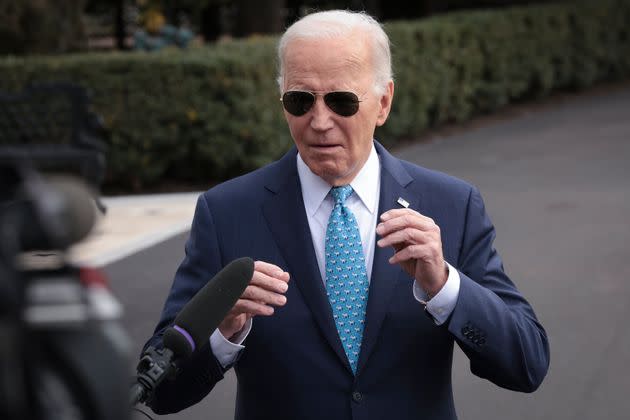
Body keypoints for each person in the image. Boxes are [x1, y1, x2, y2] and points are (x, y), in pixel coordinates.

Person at [143, 10, 549, 420]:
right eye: (300, 100)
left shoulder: (451, 204)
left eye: (341, 101)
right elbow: (160, 390)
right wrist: (221, 331)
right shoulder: (227, 212)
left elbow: (526, 364)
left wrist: (445, 286)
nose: (320, 122)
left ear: (383, 102)